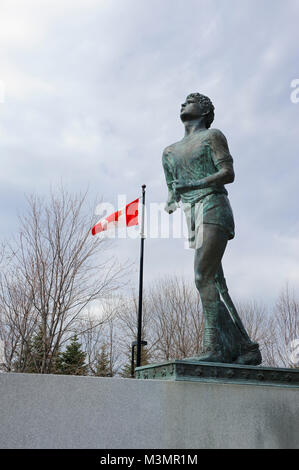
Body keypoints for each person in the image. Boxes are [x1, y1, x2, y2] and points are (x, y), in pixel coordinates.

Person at [162, 93, 261, 365]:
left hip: (214, 207)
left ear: (204, 111)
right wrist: (170, 201)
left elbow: (228, 173)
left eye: (190, 101)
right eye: (182, 101)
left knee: (201, 276)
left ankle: (214, 347)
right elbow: (173, 190)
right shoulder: (169, 152)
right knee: (215, 281)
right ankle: (246, 348)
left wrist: (192, 186)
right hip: (193, 215)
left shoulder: (212, 136)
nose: (182, 104)